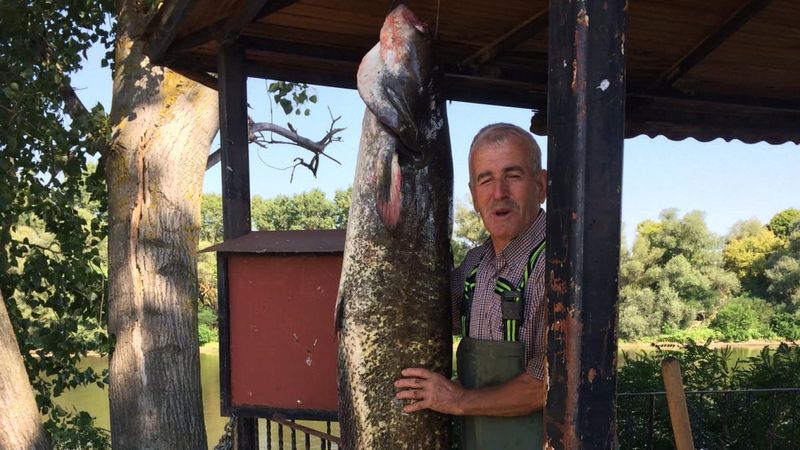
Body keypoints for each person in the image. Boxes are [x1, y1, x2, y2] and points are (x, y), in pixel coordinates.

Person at [395, 123, 547, 449]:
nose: (499, 192)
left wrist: (457, 400)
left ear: (542, 185)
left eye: (513, 175)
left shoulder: (563, 267)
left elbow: (551, 382)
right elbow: (425, 313)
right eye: (486, 179)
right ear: (475, 196)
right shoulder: (473, 266)